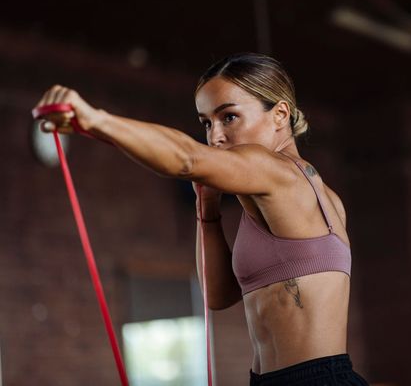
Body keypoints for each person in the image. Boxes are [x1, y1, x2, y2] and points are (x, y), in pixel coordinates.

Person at [35, 53, 369, 385]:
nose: (216, 136)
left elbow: (187, 158)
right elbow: (218, 295)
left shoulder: (276, 171)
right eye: (207, 123)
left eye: (230, 117)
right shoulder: (309, 193)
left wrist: (95, 120)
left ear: (280, 114)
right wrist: (207, 213)